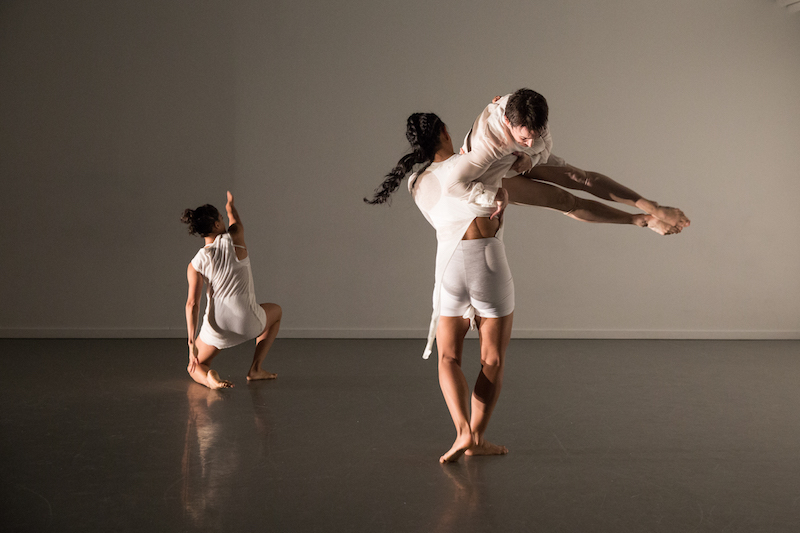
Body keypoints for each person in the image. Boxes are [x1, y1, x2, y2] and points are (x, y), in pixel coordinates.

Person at [365, 113, 662, 463]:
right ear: (445, 131)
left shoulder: (417, 181)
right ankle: (476, 436)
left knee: (448, 357)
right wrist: (638, 216)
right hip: (486, 262)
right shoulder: (475, 165)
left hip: (448, 267)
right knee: (491, 359)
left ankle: (461, 431)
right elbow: (570, 196)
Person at [458, 88, 691, 235]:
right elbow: (457, 184)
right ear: (507, 122)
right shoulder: (487, 146)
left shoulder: (528, 111)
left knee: (579, 177)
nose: (530, 142)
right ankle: (641, 220)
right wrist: (492, 196)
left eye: (534, 136)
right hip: (493, 176)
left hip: (520, 160)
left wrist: (531, 158)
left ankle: (654, 207)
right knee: (564, 200)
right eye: (523, 138)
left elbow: (545, 147)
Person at [182, 191, 282, 389]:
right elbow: (234, 218)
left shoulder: (195, 264)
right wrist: (230, 206)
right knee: (276, 311)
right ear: (218, 225)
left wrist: (192, 342)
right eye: (220, 218)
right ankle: (256, 369)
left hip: (218, 326)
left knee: (194, 367)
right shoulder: (236, 237)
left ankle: (210, 381)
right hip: (248, 321)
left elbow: (192, 304)